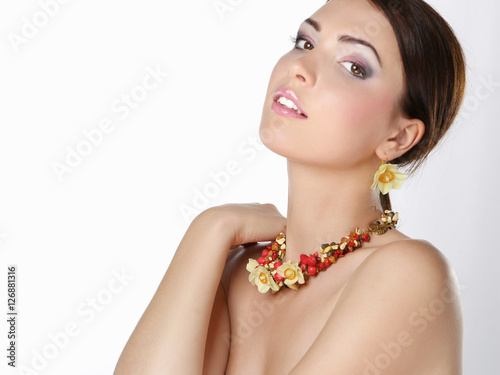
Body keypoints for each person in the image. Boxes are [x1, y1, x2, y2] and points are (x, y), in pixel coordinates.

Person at [114, 0, 466, 373]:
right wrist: (208, 229)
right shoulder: (237, 269)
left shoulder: (409, 273)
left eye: (353, 66)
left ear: (399, 137)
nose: (299, 67)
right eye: (305, 43)